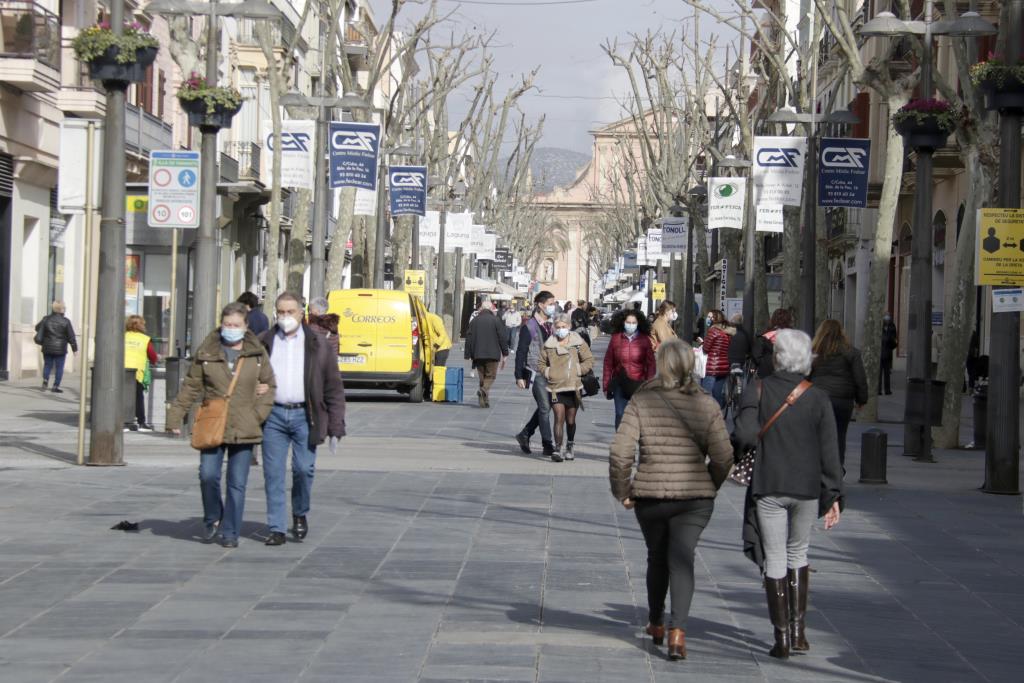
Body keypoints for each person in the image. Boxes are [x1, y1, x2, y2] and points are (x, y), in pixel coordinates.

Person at [609, 339, 734, 661]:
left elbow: (620, 452)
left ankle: (656, 622)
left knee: (657, 557)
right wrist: (711, 484)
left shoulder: (642, 400)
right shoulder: (707, 403)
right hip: (694, 497)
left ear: (661, 364)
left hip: (651, 494)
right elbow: (723, 456)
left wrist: (623, 491)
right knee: (683, 559)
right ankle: (678, 631)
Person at [735, 329, 843, 660]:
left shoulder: (758, 389)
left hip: (770, 483)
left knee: (776, 556)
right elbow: (830, 453)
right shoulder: (818, 398)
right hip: (807, 487)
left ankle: (781, 638)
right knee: (799, 552)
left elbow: (745, 435)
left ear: (777, 356)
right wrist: (833, 496)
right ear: (807, 358)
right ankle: (799, 634)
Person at [166, 302, 277, 548]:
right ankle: (212, 516)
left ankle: (230, 532)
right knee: (208, 475)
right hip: (212, 422)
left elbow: (269, 386)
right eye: (227, 324)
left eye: (236, 325)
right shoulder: (207, 352)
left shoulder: (257, 354)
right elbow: (191, 386)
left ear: (246, 326)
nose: (231, 329)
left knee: (237, 483)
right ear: (221, 324)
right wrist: (175, 416)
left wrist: (257, 415)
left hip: (244, 426)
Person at [258, 292, 347, 546]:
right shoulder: (264, 342)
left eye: (291, 312)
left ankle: (300, 512)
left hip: (305, 415)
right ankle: (276, 527)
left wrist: (335, 426)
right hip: (273, 415)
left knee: (303, 469)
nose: (285, 317)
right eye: (281, 312)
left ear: (301, 313)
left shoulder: (318, 344)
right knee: (273, 473)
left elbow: (333, 387)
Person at [810, 320, 868, 472]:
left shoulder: (813, 352)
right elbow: (860, 378)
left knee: (817, 434)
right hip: (843, 400)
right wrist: (862, 399)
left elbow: (805, 376)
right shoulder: (852, 352)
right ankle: (837, 469)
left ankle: (818, 467)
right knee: (840, 434)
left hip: (818, 399)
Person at [538, 313, 594, 462]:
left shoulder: (578, 342)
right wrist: (548, 372)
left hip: (573, 386)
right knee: (558, 417)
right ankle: (558, 448)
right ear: (554, 328)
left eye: (564, 327)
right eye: (558, 327)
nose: (561, 329)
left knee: (570, 420)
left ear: (569, 327)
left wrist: (578, 370)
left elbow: (589, 360)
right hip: (555, 387)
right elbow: (541, 363)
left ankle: (570, 444)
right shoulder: (549, 344)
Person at [515, 291, 559, 456]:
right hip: (536, 372)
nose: (553, 307)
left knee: (546, 407)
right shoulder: (530, 326)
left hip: (552, 372)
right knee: (545, 407)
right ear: (541, 305)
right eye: (550, 303)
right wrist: (519, 376)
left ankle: (525, 434)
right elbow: (521, 351)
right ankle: (547, 444)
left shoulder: (551, 324)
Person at [602, 310, 656, 429]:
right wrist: (606, 385)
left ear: (638, 323)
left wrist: (649, 383)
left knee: (635, 417)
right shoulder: (616, 339)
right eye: (628, 322)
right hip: (619, 383)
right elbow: (608, 363)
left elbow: (651, 364)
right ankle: (620, 444)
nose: (630, 325)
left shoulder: (644, 340)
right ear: (623, 322)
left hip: (638, 384)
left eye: (633, 322)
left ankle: (632, 441)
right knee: (620, 414)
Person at [464, 297, 509, 408]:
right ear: (490, 308)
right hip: (492, 354)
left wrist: (468, 354)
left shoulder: (474, 321)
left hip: (478, 354)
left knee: (482, 378)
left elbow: (468, 338)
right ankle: (483, 390)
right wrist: (505, 353)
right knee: (491, 376)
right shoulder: (496, 320)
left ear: (481, 309)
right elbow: (502, 337)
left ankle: (484, 401)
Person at [34, 301, 77, 393]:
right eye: (64, 307)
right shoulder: (66, 321)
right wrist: (75, 349)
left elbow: (37, 328)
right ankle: (55, 386)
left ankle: (45, 380)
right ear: (61, 309)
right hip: (60, 348)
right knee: (59, 367)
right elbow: (71, 336)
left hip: (47, 347)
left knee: (47, 365)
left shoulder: (46, 319)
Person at [124, 315, 158, 431]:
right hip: (137, 372)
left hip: (122, 370)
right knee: (138, 397)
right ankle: (141, 421)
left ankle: (123, 421)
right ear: (141, 325)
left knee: (121, 396)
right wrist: (154, 361)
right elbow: (152, 355)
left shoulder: (122, 336)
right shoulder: (145, 339)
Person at [701, 309, 732, 407]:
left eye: (710, 317)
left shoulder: (712, 331)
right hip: (723, 367)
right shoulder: (726, 332)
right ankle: (719, 415)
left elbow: (706, 349)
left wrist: (703, 343)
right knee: (717, 394)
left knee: (705, 394)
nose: (708, 319)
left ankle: (707, 417)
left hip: (712, 367)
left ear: (716, 319)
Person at [752, 308, 794, 378]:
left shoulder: (763, 337)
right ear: (789, 321)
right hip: (788, 376)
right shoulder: (795, 338)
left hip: (766, 375)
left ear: (772, 320)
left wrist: (765, 364)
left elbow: (756, 356)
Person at [880, 314, 898, 395]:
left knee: (886, 373)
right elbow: (894, 342)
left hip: (886, 353)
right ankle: (881, 390)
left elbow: (894, 342)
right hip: (884, 353)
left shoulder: (891, 329)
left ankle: (885, 390)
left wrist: (891, 346)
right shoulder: (890, 329)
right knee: (882, 374)